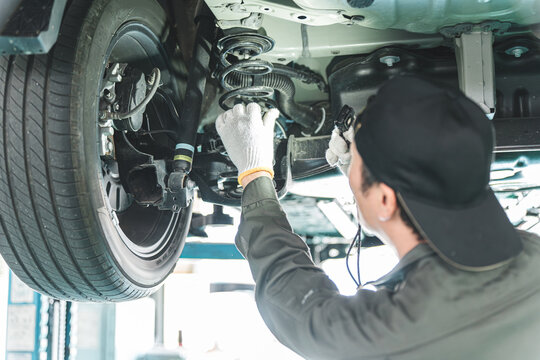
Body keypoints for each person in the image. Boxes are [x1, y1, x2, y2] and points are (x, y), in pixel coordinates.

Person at [215, 76, 540, 359]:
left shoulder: (394, 333)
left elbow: (301, 308)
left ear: (385, 198)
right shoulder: (533, 256)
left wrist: (255, 173)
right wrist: (363, 173)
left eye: (355, 159)